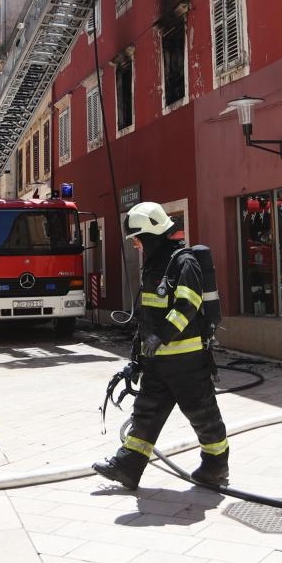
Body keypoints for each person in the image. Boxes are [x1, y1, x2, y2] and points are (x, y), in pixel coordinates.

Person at [93, 201, 228, 491]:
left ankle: (215, 466)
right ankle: (128, 466)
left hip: (186, 359)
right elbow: (148, 315)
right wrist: (140, 351)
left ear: (153, 234)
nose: (137, 246)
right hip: (157, 361)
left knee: (201, 413)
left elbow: (188, 304)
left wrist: (161, 336)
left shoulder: (183, 262)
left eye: (139, 240)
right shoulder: (154, 266)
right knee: (146, 412)